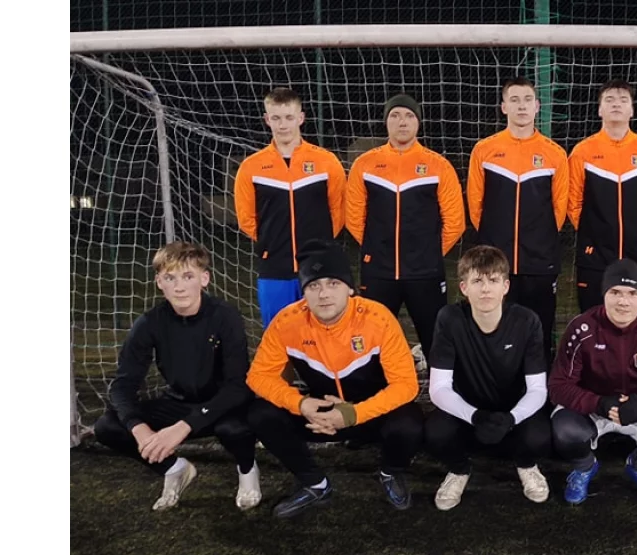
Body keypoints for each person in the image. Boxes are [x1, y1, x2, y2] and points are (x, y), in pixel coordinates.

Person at [246, 240, 423, 518]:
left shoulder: (378, 318)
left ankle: (390, 472)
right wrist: (300, 404)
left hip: (370, 415)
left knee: (409, 422)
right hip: (318, 415)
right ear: (303, 292)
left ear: (350, 288)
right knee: (259, 414)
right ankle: (315, 483)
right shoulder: (287, 322)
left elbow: (406, 385)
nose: (324, 294)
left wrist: (353, 414)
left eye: (333, 283)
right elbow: (258, 376)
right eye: (313, 286)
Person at [93, 242, 259, 512]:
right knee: (107, 426)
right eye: (170, 278)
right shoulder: (150, 322)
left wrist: (184, 426)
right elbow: (122, 384)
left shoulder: (225, 316)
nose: (179, 287)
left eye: (188, 276)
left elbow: (237, 387)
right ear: (159, 282)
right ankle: (175, 469)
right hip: (178, 403)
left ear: (204, 279)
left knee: (235, 429)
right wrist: (140, 429)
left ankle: (247, 470)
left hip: (222, 405)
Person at [548, 259, 637, 504]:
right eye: (615, 292)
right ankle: (584, 467)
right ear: (604, 293)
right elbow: (559, 386)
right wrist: (598, 403)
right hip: (594, 404)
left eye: (632, 293)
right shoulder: (581, 328)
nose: (623, 301)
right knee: (565, 429)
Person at [426, 245, 553, 510]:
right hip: (468, 413)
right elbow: (438, 388)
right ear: (464, 288)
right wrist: (474, 415)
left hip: (512, 413)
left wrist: (512, 418)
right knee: (435, 432)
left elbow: (538, 389)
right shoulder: (449, 319)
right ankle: (459, 470)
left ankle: (526, 465)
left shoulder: (527, 321)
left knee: (541, 435)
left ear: (505, 286)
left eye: (493, 280)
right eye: (477, 281)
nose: (485, 289)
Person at [345, 93, 466, 360]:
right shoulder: (364, 165)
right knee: (371, 343)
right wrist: (376, 249)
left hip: (425, 273)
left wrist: (428, 253)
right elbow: (353, 218)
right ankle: (375, 387)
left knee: (436, 342)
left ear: (418, 122)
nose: (402, 122)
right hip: (378, 271)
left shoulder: (438, 166)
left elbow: (455, 222)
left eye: (409, 116)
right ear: (386, 121)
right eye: (395, 115)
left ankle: (440, 387)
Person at [467, 77, 568, 360]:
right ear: (503, 107)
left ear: (537, 106)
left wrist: (539, 239)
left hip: (540, 261)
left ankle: (538, 384)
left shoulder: (555, 154)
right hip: (495, 261)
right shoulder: (484, 150)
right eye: (514, 100)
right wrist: (493, 240)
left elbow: (560, 208)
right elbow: (476, 205)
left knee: (539, 330)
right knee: (493, 330)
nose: (521, 106)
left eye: (527, 100)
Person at [234, 87, 346, 327]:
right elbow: (246, 219)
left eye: (288, 117)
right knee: (278, 333)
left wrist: (320, 242)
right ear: (267, 119)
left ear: (301, 118)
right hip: (274, 266)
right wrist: (271, 243)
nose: (282, 125)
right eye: (276, 118)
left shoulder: (326, 161)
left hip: (319, 267)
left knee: (324, 333)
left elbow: (338, 212)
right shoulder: (251, 167)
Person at [567, 79, 637, 312]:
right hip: (595, 253)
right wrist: (594, 231)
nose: (616, 104)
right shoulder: (583, 151)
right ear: (599, 109)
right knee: (593, 316)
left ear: (632, 110)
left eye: (623, 100)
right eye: (609, 99)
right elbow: (573, 202)